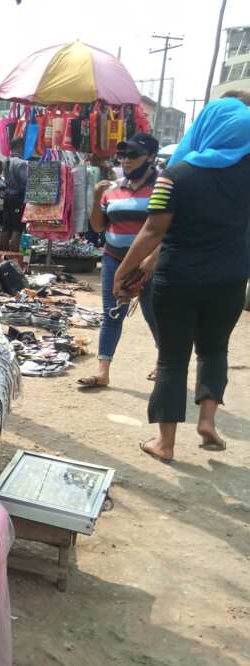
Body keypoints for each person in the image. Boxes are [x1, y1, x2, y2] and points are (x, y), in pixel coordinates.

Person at [113, 98, 250, 462]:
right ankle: (207, 422)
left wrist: (126, 271)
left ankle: (166, 443)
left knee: (173, 359)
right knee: (215, 348)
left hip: (178, 278)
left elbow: (153, 230)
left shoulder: (177, 173)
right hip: (231, 278)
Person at [77, 133, 161, 390]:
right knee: (112, 314)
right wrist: (95, 197)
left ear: (150, 158)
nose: (125, 160)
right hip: (114, 259)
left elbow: (167, 229)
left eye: (133, 155)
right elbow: (99, 225)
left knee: (154, 313)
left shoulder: (162, 187)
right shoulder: (113, 189)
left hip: (151, 263)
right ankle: (103, 372)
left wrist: (151, 259)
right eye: (122, 155)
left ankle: (164, 360)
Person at [0, 137, 29, 251]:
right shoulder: (21, 163)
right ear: (20, 147)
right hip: (18, 198)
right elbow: (26, 181)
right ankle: (14, 257)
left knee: (6, 227)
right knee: (17, 228)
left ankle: (3, 255)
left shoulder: (5, 161)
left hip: (7, 198)